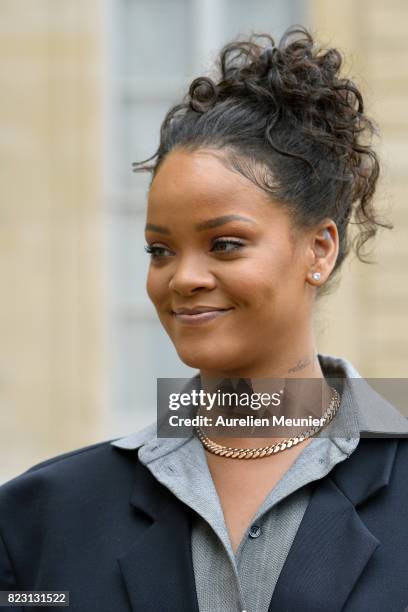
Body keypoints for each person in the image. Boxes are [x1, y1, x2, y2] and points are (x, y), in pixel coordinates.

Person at [1, 26, 407, 612]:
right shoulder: (41, 520)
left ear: (318, 249)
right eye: (159, 250)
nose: (182, 277)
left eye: (224, 244)